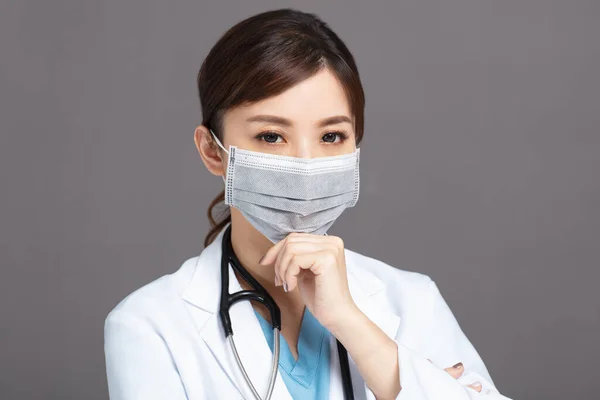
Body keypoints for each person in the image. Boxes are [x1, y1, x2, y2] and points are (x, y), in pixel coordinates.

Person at [104, 8, 512, 400]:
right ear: (213, 152)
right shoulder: (148, 325)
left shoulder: (410, 300)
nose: (304, 164)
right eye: (270, 136)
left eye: (331, 136)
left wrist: (351, 324)